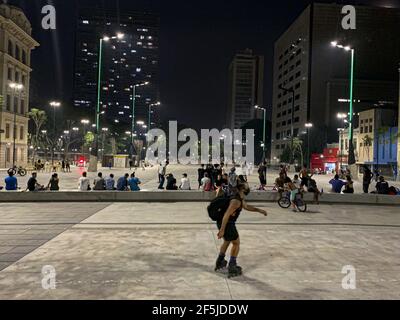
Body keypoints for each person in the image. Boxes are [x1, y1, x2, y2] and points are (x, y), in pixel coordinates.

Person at [215, 181, 268, 278]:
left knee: (227, 241)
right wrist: (222, 230)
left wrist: (259, 210)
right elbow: (227, 215)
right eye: (247, 186)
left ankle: (220, 262)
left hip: (225, 223)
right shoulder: (236, 201)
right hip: (228, 224)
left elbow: (247, 206)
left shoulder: (239, 198)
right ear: (242, 189)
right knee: (236, 243)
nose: (249, 188)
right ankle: (232, 266)